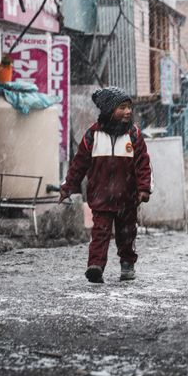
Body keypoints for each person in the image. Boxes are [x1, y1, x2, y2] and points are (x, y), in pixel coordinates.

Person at [59, 87, 152, 284]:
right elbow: (79, 164)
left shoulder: (134, 136)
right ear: (110, 110)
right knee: (99, 234)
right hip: (100, 198)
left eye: (129, 107)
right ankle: (95, 266)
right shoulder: (92, 136)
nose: (128, 112)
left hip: (128, 198)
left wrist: (144, 189)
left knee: (127, 234)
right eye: (122, 107)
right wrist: (68, 187)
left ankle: (127, 263)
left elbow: (144, 164)